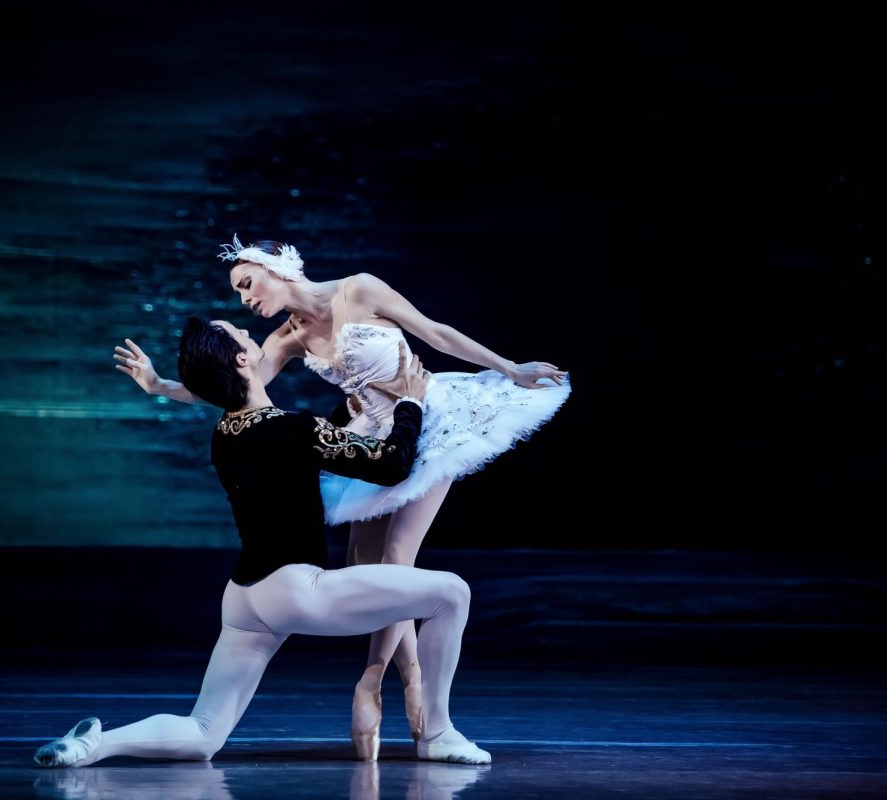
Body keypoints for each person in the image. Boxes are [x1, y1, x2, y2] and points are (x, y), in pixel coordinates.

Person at [114, 235, 569, 757]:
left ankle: (391, 690)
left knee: (398, 557)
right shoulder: (287, 337)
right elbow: (226, 385)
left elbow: (436, 333)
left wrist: (511, 369)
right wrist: (160, 386)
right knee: (362, 561)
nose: (244, 301)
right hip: (374, 435)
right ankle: (393, 692)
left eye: (246, 285)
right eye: (238, 294)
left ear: (277, 269)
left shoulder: (360, 290)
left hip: (429, 419)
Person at [35, 318, 490, 767]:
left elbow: (301, 445)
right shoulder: (290, 429)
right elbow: (391, 465)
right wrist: (411, 400)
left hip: (244, 600)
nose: (252, 336)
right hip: (296, 590)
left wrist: (161, 386)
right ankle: (437, 734)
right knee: (452, 593)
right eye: (242, 336)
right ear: (241, 359)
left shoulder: (226, 435)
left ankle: (93, 746)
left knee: (204, 732)